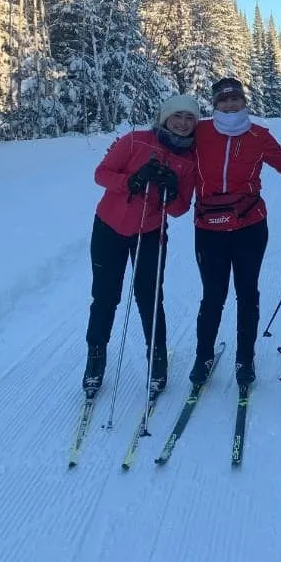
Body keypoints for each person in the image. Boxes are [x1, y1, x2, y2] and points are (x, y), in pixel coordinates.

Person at [190, 77, 281, 387]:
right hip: (208, 228)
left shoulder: (259, 135)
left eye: (235, 99)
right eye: (223, 100)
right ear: (214, 104)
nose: (230, 104)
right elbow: (167, 143)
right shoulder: (199, 131)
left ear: (244, 102)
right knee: (213, 296)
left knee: (247, 294)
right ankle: (203, 355)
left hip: (250, 226)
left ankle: (245, 358)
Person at [84, 95, 201, 396]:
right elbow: (101, 174)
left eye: (190, 118)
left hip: (149, 231)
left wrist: (172, 189)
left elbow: (179, 209)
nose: (183, 123)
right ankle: (95, 358)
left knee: (149, 296)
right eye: (178, 116)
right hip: (109, 226)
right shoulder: (136, 140)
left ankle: (157, 357)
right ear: (164, 117)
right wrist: (133, 180)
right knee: (105, 295)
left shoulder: (189, 159)